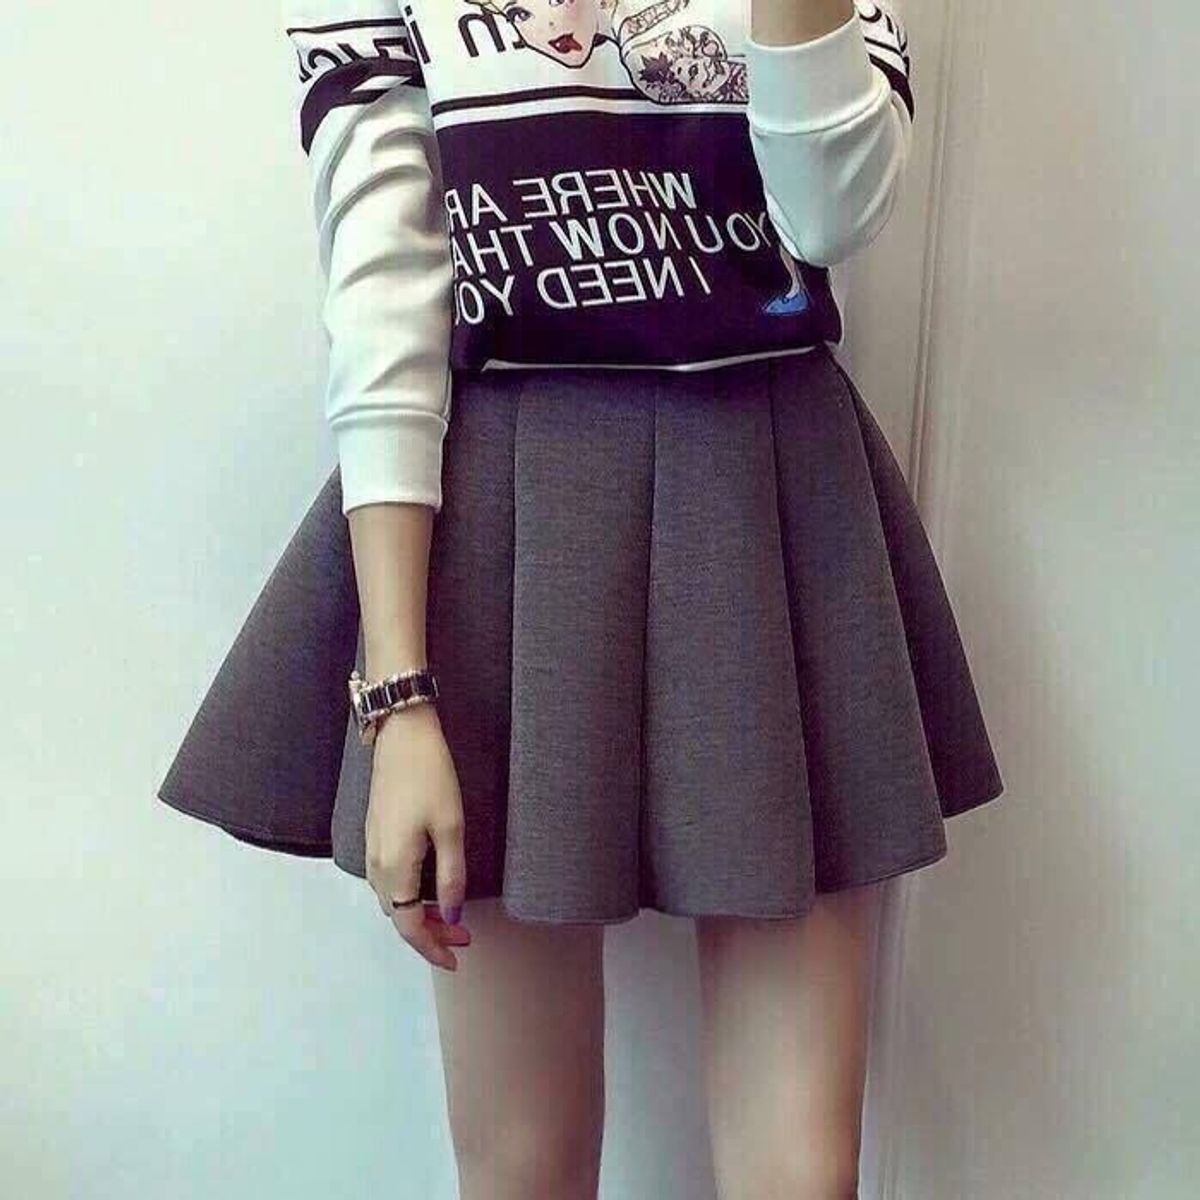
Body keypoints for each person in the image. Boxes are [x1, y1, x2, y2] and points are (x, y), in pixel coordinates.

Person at [158, 1, 1005, 1195]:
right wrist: (399, 699)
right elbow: (387, 294)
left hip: (765, 487)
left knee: (800, 1172)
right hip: (505, 522)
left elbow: (828, 213)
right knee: (523, 1166)